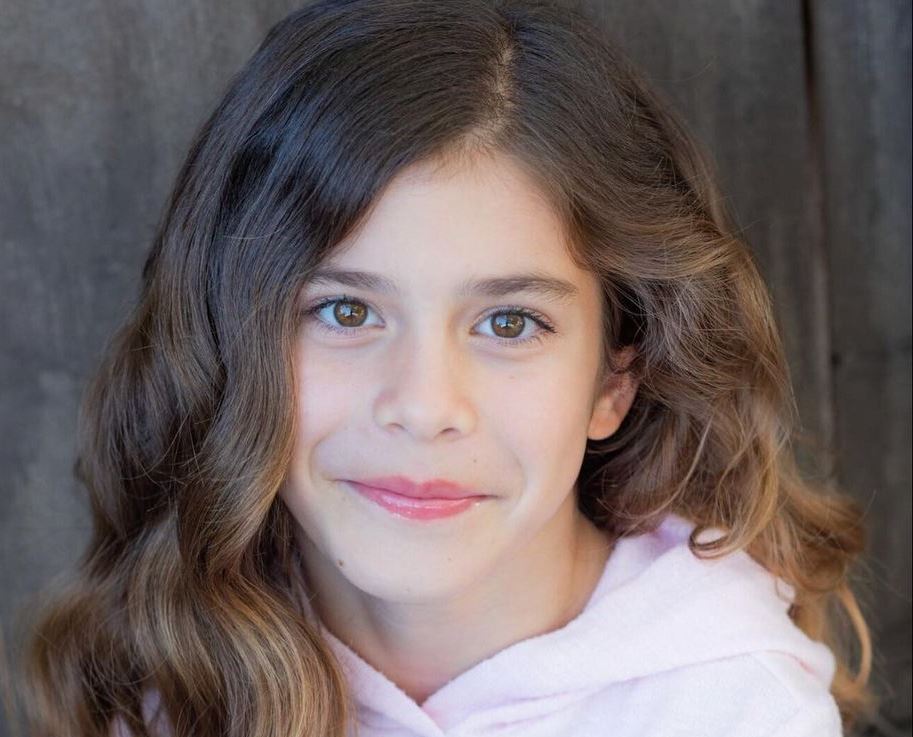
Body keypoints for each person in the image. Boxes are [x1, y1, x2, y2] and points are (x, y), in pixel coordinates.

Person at [17, 1, 877, 735]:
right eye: (345, 311)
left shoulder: (733, 709)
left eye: (509, 322)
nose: (425, 405)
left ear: (613, 381)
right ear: (229, 338)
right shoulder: (177, 669)